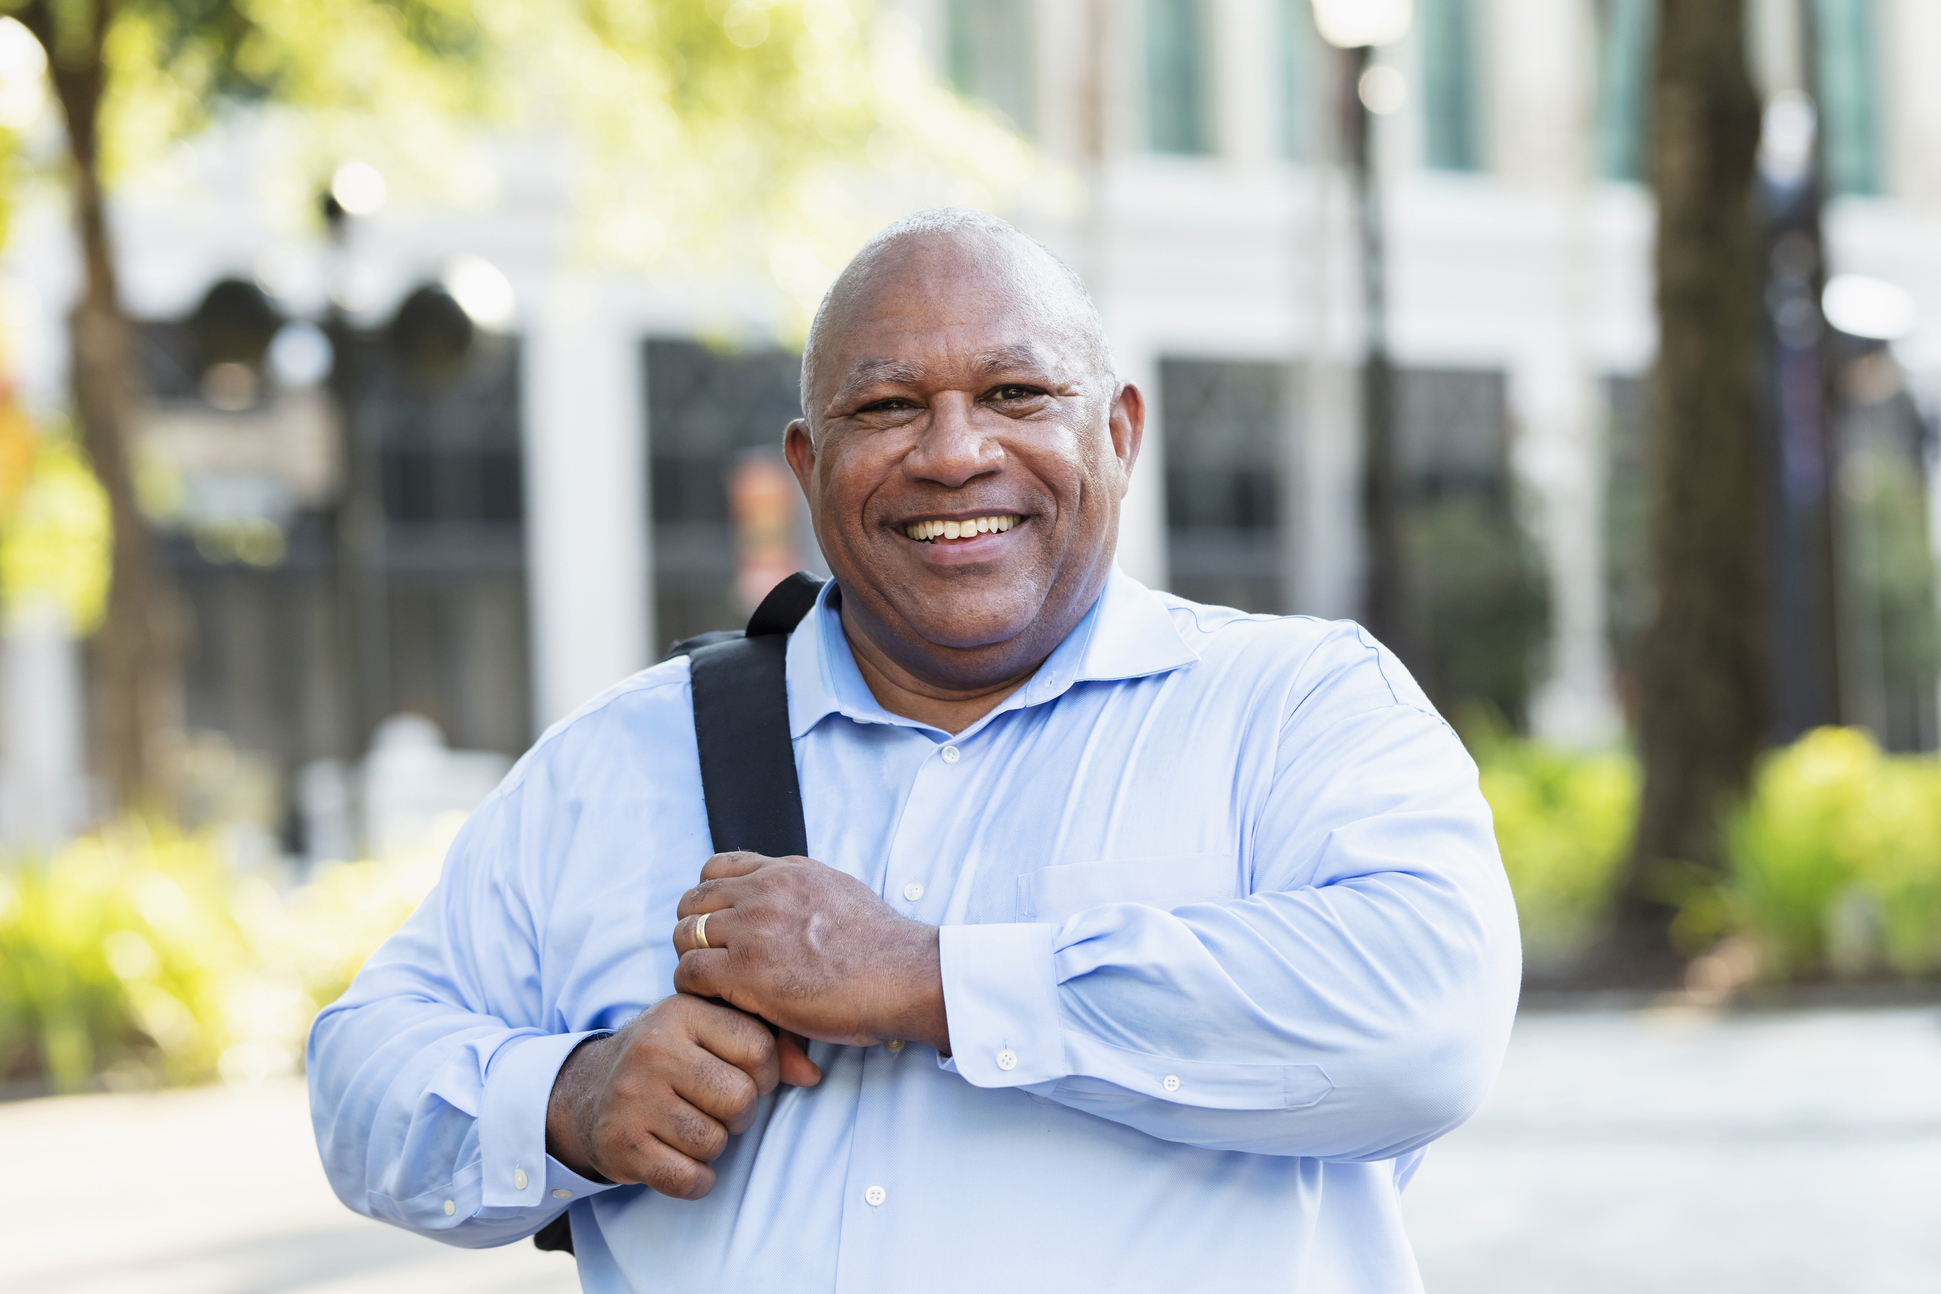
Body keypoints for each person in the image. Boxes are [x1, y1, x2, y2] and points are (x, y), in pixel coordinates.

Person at [308, 207, 1520, 1292]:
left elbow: (1425, 1017)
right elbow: (364, 1073)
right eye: (887, 407)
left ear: (1121, 432)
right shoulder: (621, 758)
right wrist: (566, 1099)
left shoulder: (1296, 705)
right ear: (808, 466)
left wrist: (929, 976)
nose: (953, 453)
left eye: (1016, 395)